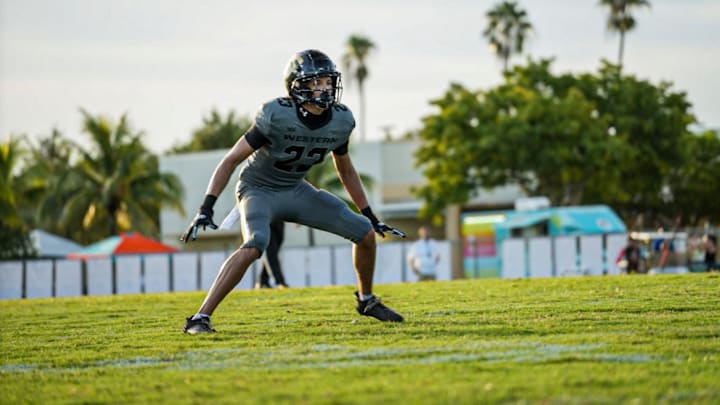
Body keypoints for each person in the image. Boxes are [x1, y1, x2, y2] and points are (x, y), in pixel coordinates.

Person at [180, 49, 407, 334]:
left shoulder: (340, 121)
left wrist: (369, 214)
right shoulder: (276, 114)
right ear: (297, 85)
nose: (324, 88)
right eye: (316, 82)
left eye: (327, 81)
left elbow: (346, 170)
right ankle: (200, 317)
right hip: (258, 188)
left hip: (296, 189)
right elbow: (231, 160)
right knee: (255, 244)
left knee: (364, 232)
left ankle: (367, 301)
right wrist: (206, 207)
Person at [255, 221, 289, 289]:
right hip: (266, 220)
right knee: (271, 252)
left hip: (280, 219)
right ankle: (280, 282)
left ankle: (262, 280)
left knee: (273, 252)